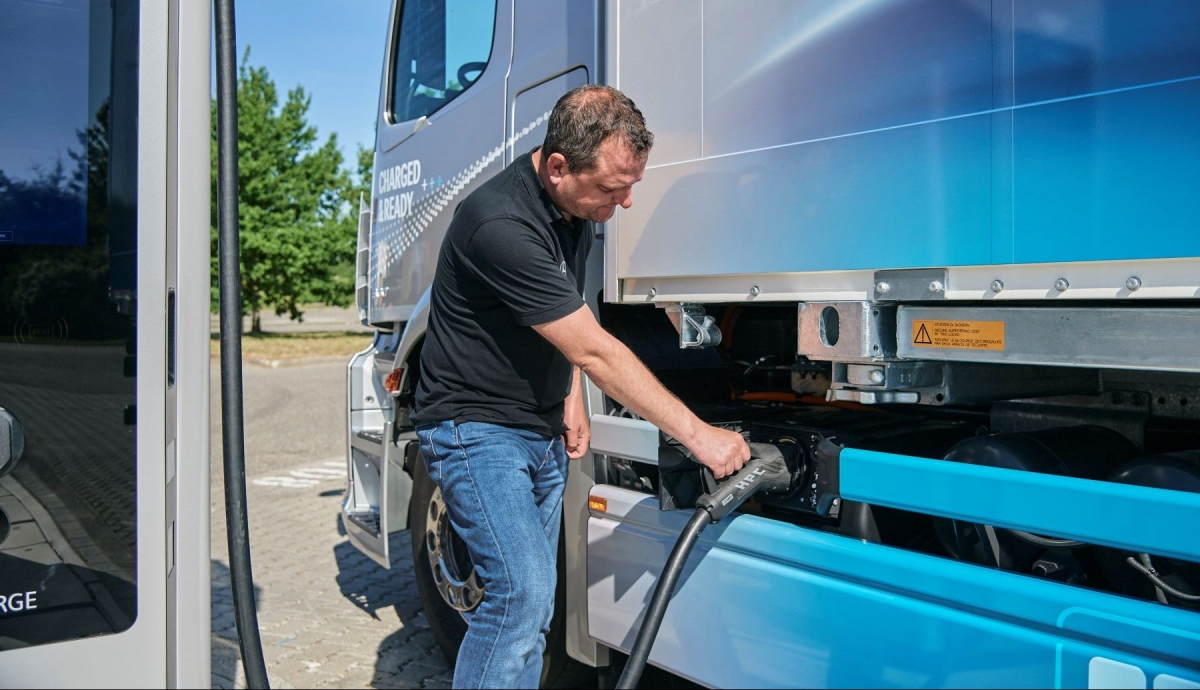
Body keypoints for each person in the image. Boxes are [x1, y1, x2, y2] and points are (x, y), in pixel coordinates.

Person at [412, 84, 750, 688]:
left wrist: (569, 397)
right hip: (476, 431)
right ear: (560, 166)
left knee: (533, 611)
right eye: (612, 188)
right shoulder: (498, 222)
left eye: (631, 188)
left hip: (536, 430)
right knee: (519, 596)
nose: (621, 205)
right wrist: (699, 435)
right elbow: (593, 348)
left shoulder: (573, 209)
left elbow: (563, 319)